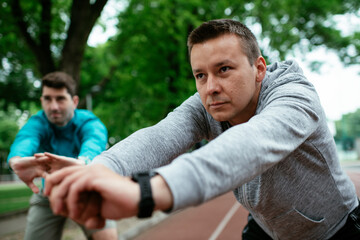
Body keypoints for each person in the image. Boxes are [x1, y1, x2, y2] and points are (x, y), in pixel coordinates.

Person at [44, 19, 360, 239]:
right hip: (266, 228)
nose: (211, 88)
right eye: (200, 75)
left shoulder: (295, 97)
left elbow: (251, 143)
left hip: (334, 230)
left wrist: (144, 193)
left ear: (259, 68)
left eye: (224, 69)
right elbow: (161, 136)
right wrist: (97, 170)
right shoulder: (207, 103)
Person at [7, 72, 117, 240]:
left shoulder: (88, 121)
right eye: (47, 99)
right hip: (48, 192)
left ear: (74, 102)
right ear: (41, 101)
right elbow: (25, 140)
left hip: (86, 188)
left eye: (60, 99)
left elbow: (94, 141)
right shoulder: (38, 122)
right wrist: (16, 161)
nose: (53, 106)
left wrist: (82, 163)